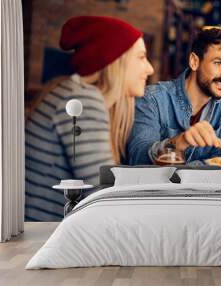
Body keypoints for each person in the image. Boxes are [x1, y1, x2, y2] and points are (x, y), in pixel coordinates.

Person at [25, 16, 154, 221]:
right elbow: (105, 198)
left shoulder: (72, 93)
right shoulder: (83, 101)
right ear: (114, 61)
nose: (150, 69)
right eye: (140, 57)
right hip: (45, 236)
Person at [127, 27, 221, 165]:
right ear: (194, 62)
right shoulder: (152, 99)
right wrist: (179, 142)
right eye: (218, 63)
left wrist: (181, 169)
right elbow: (138, 157)